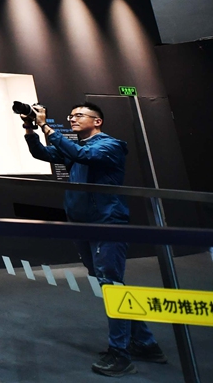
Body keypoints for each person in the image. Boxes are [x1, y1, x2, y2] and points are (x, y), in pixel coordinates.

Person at [22, 102, 167, 377]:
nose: (73, 119)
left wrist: (45, 126)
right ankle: (146, 344)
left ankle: (121, 355)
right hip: (83, 225)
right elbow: (41, 153)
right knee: (109, 283)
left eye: (79, 115)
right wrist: (30, 128)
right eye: (71, 114)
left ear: (97, 121)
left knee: (111, 285)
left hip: (106, 224)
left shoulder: (109, 146)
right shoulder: (77, 150)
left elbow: (81, 154)